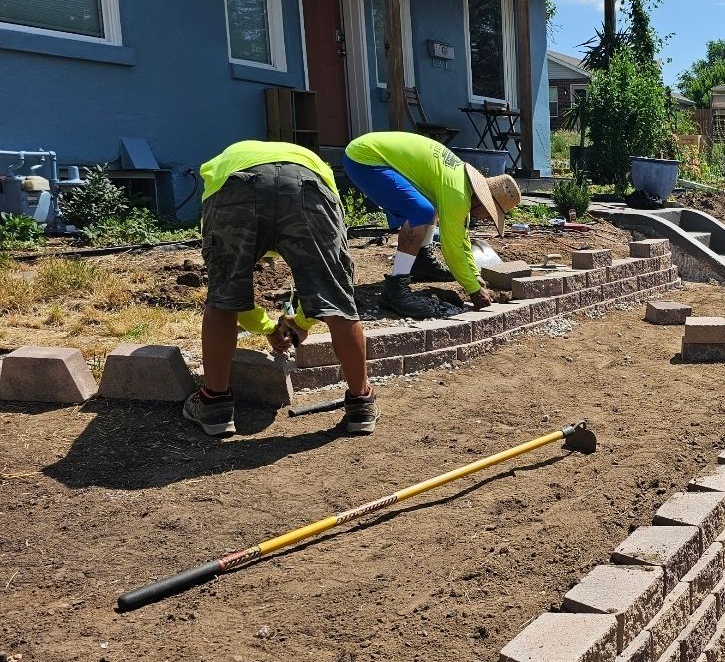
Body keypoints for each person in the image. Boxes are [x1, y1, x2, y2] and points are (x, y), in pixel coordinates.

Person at [188, 141, 376, 438]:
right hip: (309, 183)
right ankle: (361, 403)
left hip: (235, 186)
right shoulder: (318, 166)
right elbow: (327, 290)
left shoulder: (221, 163)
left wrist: (267, 328)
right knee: (337, 297)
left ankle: (214, 406)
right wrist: (299, 324)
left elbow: (234, 295)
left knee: (222, 297)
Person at [341, 131, 521, 319]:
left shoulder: (461, 185)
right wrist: (473, 290)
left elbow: (461, 237)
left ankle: (422, 262)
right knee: (421, 211)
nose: (486, 219)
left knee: (431, 207)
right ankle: (395, 289)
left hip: (372, 153)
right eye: (490, 214)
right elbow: (452, 248)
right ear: (484, 201)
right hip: (364, 159)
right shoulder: (457, 195)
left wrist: (475, 276)